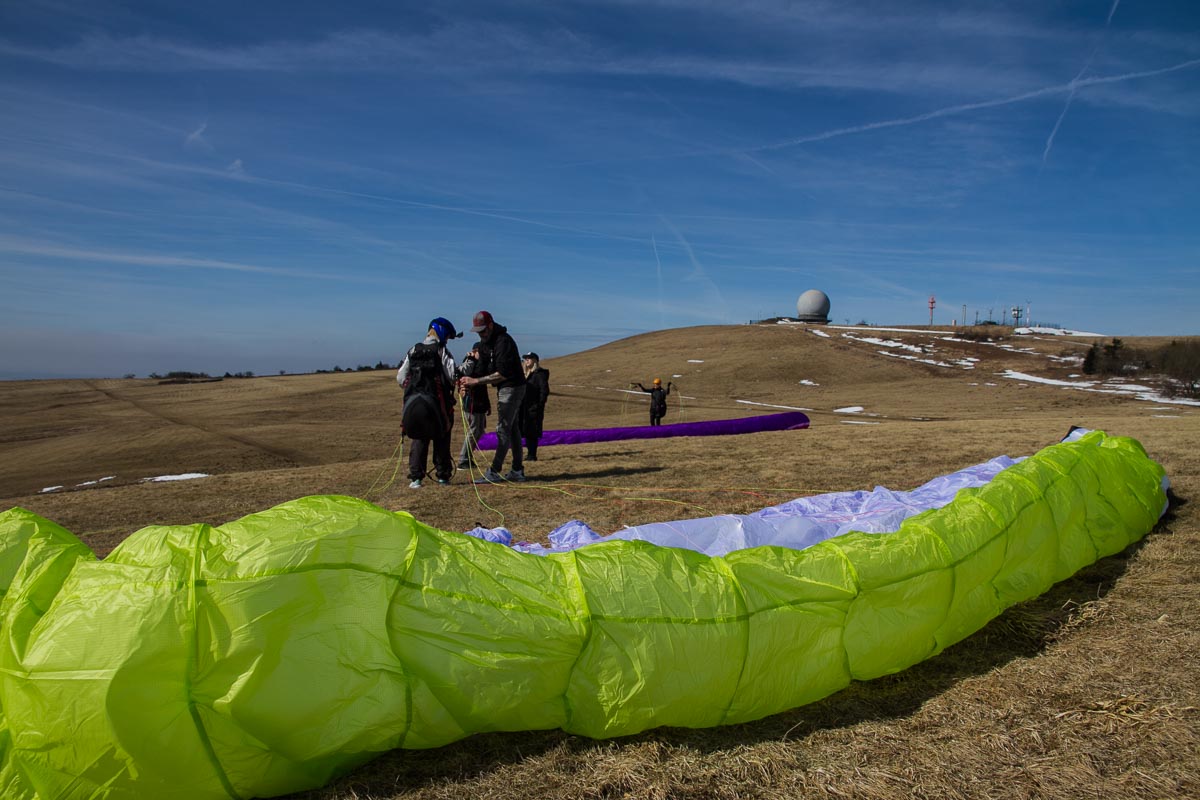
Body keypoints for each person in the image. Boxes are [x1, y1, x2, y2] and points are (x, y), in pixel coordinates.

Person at [457, 310, 526, 484]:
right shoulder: (484, 344)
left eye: (483, 330)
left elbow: (502, 373)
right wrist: (467, 380)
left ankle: (495, 471)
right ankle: (517, 470)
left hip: (513, 386)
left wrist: (475, 381)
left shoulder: (504, 342)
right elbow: (481, 369)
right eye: (478, 332)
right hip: (503, 387)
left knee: (503, 428)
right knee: (512, 428)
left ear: (490, 325)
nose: (481, 334)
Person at [396, 317, 459, 488]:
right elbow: (452, 376)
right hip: (439, 404)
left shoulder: (413, 350)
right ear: (443, 332)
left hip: (415, 403)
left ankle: (416, 478)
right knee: (442, 437)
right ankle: (443, 476)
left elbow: (400, 377)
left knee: (419, 438)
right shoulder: (441, 351)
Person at [456, 342, 492, 470]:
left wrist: (487, 405)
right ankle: (463, 459)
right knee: (473, 430)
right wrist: (470, 359)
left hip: (480, 402)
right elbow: (462, 376)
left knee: (480, 430)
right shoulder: (470, 362)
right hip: (471, 402)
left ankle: (468, 457)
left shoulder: (482, 365)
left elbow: (483, 386)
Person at [520, 352, 550, 461]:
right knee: (525, 431)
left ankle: (532, 455)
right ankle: (528, 454)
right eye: (525, 359)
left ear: (535, 361)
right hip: (524, 408)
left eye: (529, 358)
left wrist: (539, 405)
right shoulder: (525, 374)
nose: (527, 360)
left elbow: (544, 391)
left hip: (534, 408)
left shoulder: (539, 374)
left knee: (532, 432)